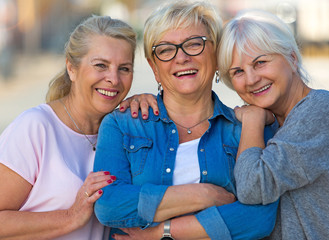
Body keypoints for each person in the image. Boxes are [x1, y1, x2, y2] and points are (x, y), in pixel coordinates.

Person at [93, 1, 278, 240]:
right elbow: (108, 205)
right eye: (166, 50)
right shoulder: (123, 124)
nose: (181, 58)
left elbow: (260, 218)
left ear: (216, 54)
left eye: (194, 44)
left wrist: (163, 232)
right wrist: (203, 196)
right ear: (154, 66)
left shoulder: (248, 128)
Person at [217, 9, 329, 239]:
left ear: (292, 58)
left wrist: (252, 120)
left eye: (260, 62)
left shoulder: (321, 110)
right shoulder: (275, 122)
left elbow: (252, 186)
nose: (252, 79)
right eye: (238, 72)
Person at [0, 15, 137, 239]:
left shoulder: (124, 131)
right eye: (101, 65)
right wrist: (71, 216)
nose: (114, 79)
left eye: (124, 68)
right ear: (72, 68)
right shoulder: (36, 127)